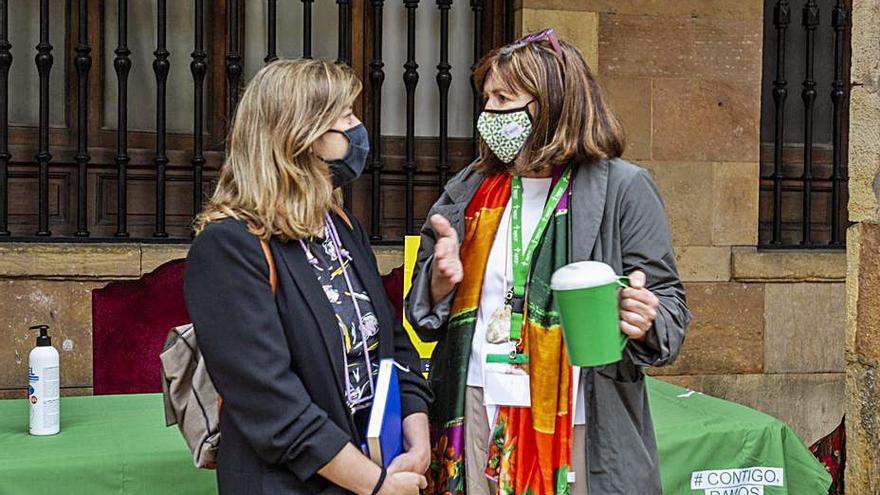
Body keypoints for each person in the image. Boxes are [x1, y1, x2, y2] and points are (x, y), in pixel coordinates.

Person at [405, 29, 691, 495]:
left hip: (577, 416)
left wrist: (645, 316)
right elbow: (424, 310)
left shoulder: (623, 188)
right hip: (474, 402)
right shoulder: (470, 186)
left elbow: (670, 311)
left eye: (505, 99)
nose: (489, 113)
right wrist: (438, 282)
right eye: (487, 99)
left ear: (554, 103)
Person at [184, 59, 433, 495]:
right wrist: (374, 485)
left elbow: (393, 346)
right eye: (347, 118)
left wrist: (418, 440)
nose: (359, 131)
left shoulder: (342, 225)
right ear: (302, 136)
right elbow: (273, 406)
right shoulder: (228, 247)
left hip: (376, 472)